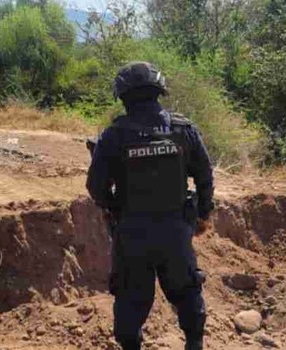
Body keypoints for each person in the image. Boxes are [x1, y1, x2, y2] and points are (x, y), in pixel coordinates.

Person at [86, 61, 214, 350]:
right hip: (176, 231)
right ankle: (194, 344)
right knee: (186, 290)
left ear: (123, 95)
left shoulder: (113, 135)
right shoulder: (184, 129)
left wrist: (113, 208)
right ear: (159, 90)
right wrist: (204, 212)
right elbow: (205, 175)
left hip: (132, 234)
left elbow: (95, 187)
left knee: (131, 300)